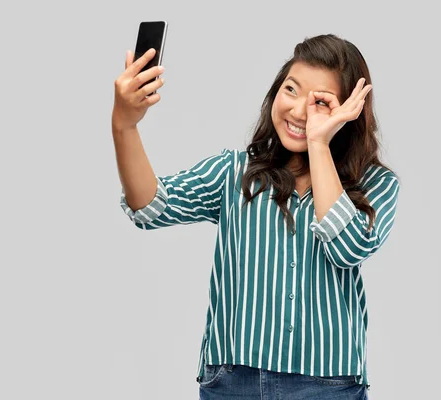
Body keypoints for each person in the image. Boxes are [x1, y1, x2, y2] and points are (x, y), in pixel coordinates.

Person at [112, 33, 400, 400]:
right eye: (291, 89)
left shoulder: (376, 184)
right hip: (233, 383)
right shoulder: (234, 173)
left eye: (320, 103)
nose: (298, 112)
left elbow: (347, 248)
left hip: (329, 387)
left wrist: (319, 143)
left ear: (348, 111)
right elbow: (149, 206)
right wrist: (124, 125)